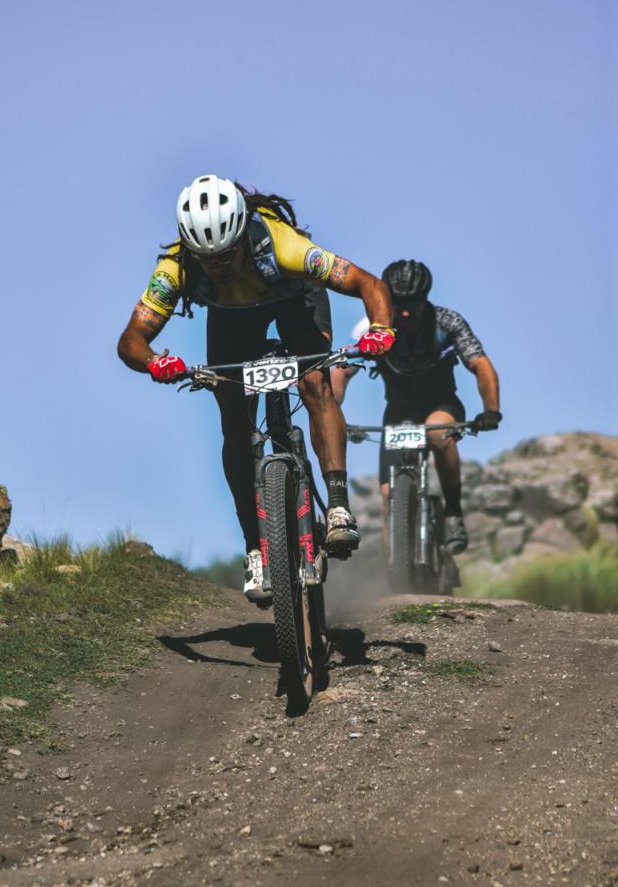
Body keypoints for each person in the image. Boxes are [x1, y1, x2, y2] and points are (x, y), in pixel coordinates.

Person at [117, 174, 394, 602]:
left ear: (243, 236)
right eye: (207, 259)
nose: (219, 267)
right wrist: (156, 362)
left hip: (294, 300)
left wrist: (381, 329)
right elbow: (131, 341)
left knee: (315, 381)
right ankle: (255, 548)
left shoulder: (284, 245)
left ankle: (338, 504)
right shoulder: (175, 268)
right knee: (233, 416)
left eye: (227, 254)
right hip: (231, 317)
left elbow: (368, 284)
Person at [331, 259, 501, 553]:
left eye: (414, 304)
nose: (407, 312)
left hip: (441, 404)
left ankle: (452, 512)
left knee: (438, 432)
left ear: (426, 300)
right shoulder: (371, 327)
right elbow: (341, 371)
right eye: (400, 304)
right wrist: (331, 413)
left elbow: (480, 364)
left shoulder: (447, 322)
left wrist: (491, 411)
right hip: (398, 411)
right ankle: (396, 573)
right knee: (388, 497)